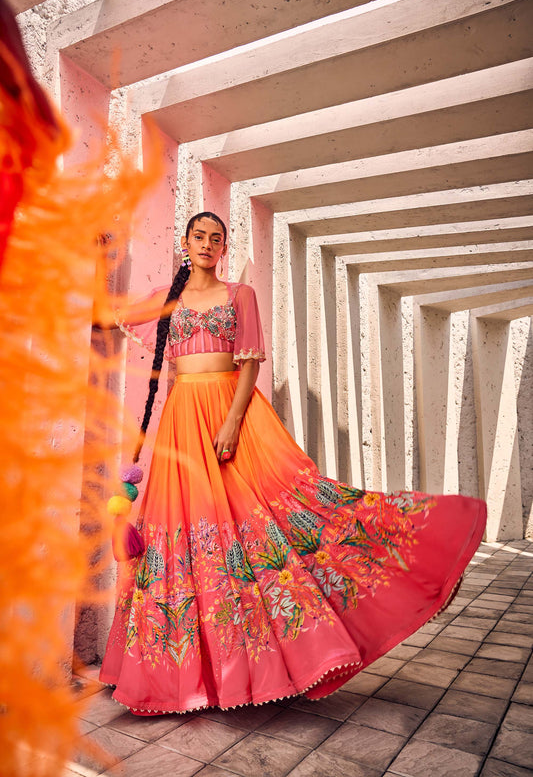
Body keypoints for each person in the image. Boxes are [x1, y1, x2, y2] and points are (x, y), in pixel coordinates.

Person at [99, 211, 486, 715]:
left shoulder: (240, 295)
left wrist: (233, 422)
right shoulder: (168, 297)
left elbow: (250, 363)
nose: (208, 245)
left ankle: (417, 546)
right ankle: (193, 675)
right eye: (199, 237)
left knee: (277, 514)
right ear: (185, 241)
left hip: (228, 413)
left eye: (217, 239)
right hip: (180, 422)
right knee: (187, 531)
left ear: (223, 246)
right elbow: (111, 316)